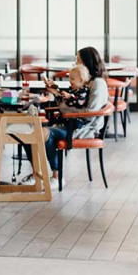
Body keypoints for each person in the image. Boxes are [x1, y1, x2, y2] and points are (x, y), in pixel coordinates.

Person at [43, 46, 108, 190]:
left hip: (85, 128)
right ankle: (39, 174)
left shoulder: (97, 83)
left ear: (87, 62)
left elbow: (90, 112)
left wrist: (63, 108)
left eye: (79, 60)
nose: (76, 63)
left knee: (43, 133)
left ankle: (56, 177)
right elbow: (73, 102)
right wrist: (56, 93)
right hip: (73, 123)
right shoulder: (85, 82)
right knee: (35, 132)